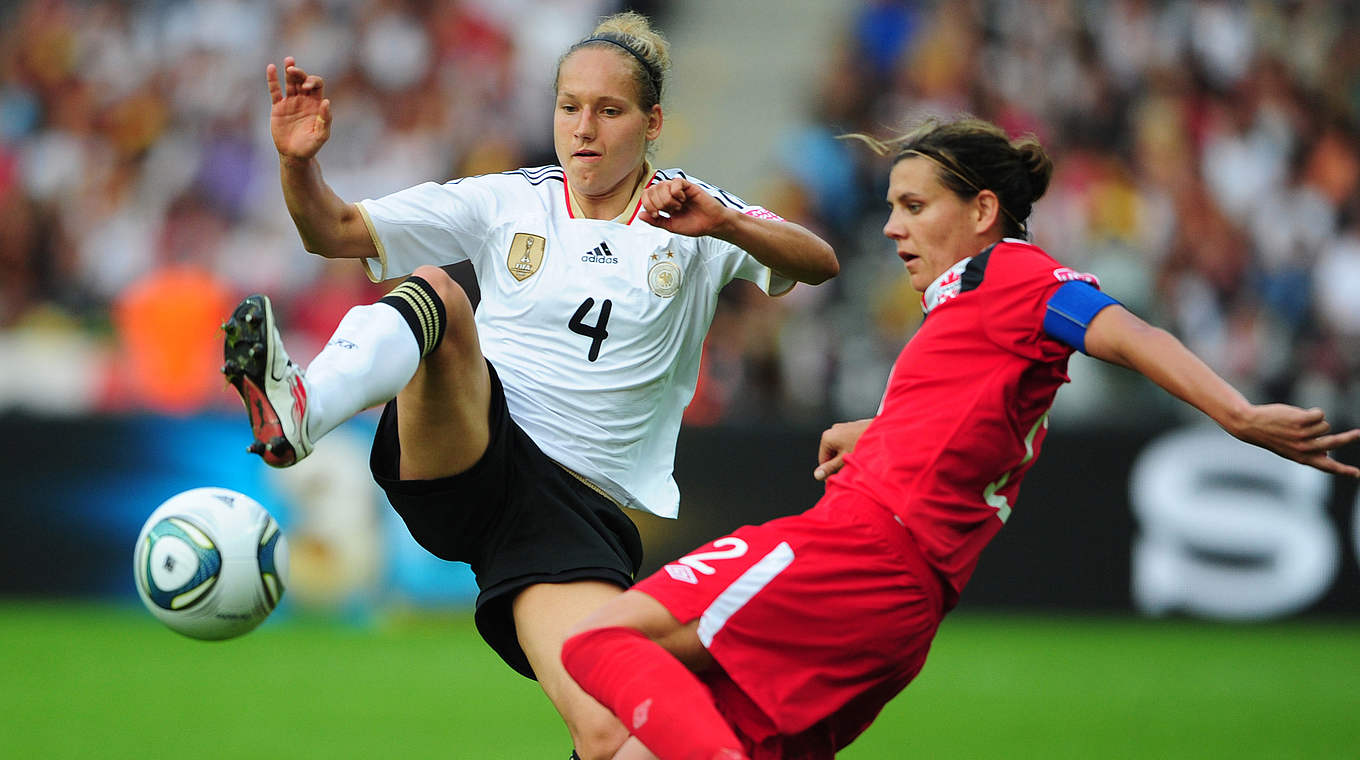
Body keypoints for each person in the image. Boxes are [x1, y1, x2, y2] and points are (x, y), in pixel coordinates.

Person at [559, 116, 1360, 760]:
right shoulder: (975, 312)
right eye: (890, 207)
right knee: (637, 748)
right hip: (902, 606)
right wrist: (877, 431)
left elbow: (1123, 330)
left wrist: (1235, 412)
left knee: (599, 640)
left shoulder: (1014, 274)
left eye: (913, 206)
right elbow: (985, 425)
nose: (891, 228)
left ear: (981, 211)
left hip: (859, 549)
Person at [220, 12, 837, 760]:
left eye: (609, 111)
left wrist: (730, 227)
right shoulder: (512, 200)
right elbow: (336, 230)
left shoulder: (694, 212)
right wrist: (297, 164)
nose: (584, 128)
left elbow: (818, 261)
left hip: (566, 517)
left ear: (652, 122)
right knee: (436, 298)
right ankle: (301, 413)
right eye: (569, 106)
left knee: (614, 732)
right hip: (474, 447)